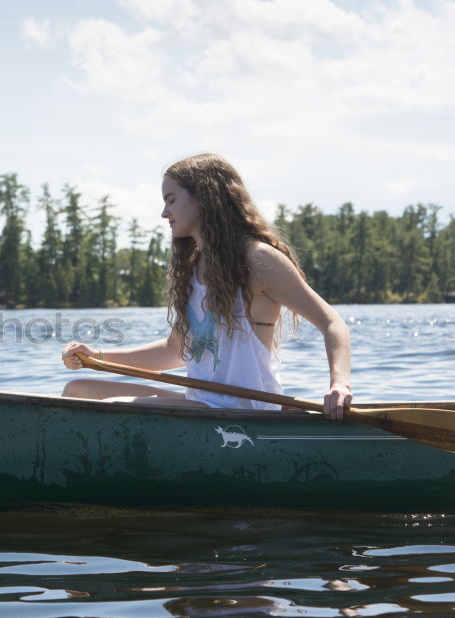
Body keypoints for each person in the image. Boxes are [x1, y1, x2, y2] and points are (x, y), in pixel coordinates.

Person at [60, 153, 353, 420]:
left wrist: (339, 384)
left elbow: (331, 323)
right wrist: (96, 358)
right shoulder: (192, 266)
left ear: (204, 197)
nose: (164, 212)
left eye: (171, 200)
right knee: (78, 390)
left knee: (116, 408)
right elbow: (176, 349)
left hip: (241, 412)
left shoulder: (259, 260)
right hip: (201, 404)